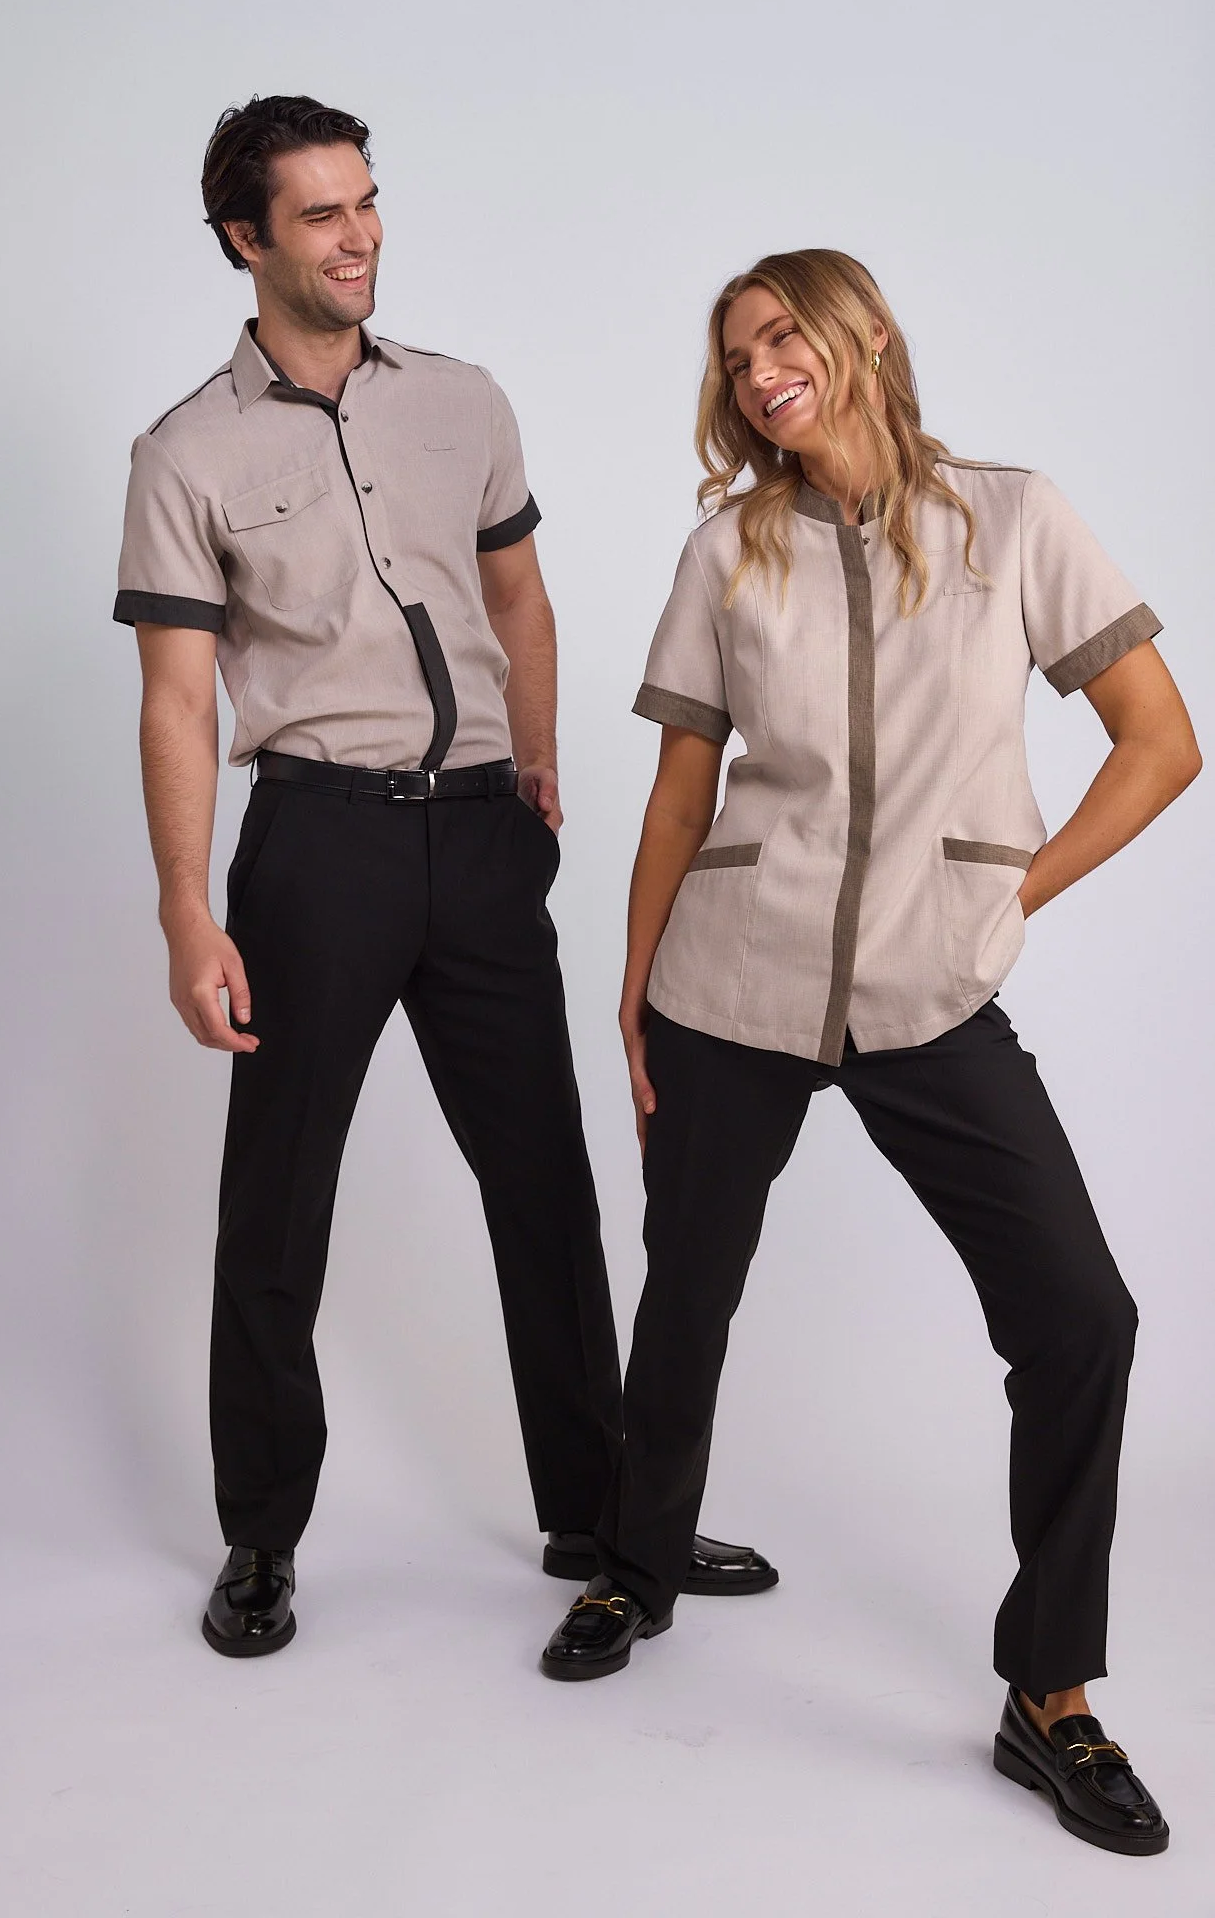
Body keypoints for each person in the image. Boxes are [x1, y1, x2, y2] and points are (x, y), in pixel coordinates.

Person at [538, 249, 1198, 1857]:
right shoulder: (725, 551)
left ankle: (1047, 1698)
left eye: (783, 337)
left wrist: (1004, 892)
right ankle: (642, 1558)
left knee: (1078, 1317)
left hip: (929, 992)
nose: (761, 371)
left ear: (862, 336)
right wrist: (630, 986)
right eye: (736, 354)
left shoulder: (1011, 516)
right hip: (730, 982)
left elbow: (1161, 742)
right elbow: (684, 791)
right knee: (683, 1289)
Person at [113, 94, 772, 1659]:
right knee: (278, 1206)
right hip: (316, 849)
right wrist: (186, 909)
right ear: (244, 240)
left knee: (543, 1185)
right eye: (323, 215)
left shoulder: (462, 402)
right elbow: (175, 698)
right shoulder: (183, 453)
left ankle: (601, 1509)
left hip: (479, 836)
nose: (361, 237)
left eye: (368, 203)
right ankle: (261, 1539)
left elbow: (521, 596)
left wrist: (533, 776)